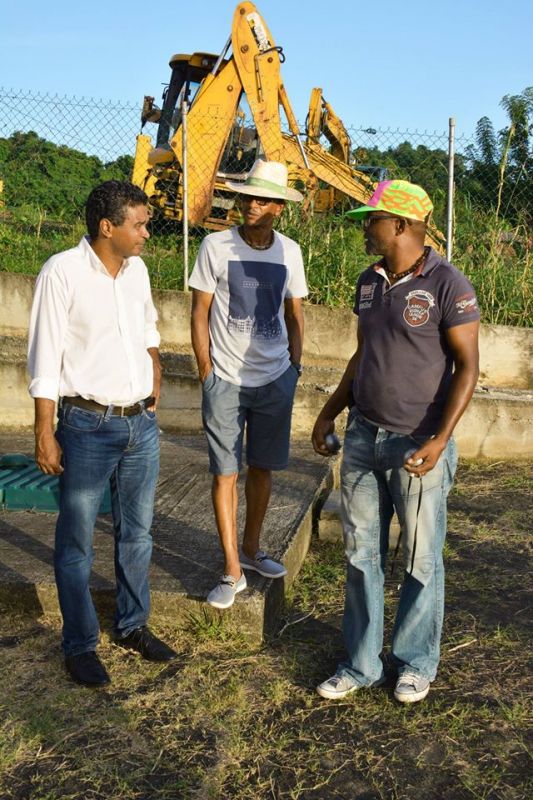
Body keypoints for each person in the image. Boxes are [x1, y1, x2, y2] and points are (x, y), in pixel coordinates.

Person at [312, 179, 480, 704]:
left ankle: (413, 664)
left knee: (420, 557)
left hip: (417, 444)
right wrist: (329, 412)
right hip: (363, 437)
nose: (366, 227)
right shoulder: (369, 282)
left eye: (373, 219)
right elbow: (363, 355)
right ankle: (360, 664)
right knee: (361, 554)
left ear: (401, 225)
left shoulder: (450, 284)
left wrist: (439, 440)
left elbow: (468, 368)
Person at [28, 180, 176, 687]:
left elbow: (148, 329)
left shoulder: (137, 271)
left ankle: (133, 625)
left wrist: (153, 369)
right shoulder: (62, 272)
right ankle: (80, 644)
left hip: (141, 426)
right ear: (106, 227)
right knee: (77, 543)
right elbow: (45, 357)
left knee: (137, 535)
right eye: (139, 224)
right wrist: (44, 433)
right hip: (86, 425)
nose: (147, 234)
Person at [189, 159, 307, 609]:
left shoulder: (289, 253)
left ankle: (254, 550)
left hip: (275, 378)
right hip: (225, 378)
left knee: (263, 469)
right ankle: (231, 568)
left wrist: (294, 368)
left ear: (278, 207)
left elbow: (296, 314)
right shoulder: (215, 246)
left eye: (262, 198)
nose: (251, 204)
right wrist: (206, 368)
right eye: (247, 196)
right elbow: (199, 312)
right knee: (225, 472)